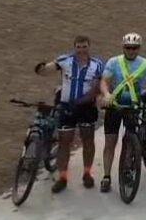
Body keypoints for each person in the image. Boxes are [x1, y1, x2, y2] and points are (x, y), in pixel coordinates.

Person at [34, 36, 103, 192]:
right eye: (78, 47)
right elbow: (48, 69)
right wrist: (41, 68)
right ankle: (62, 177)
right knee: (64, 142)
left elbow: (97, 87)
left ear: (89, 47)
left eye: (84, 46)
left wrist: (86, 99)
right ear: (74, 47)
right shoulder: (65, 60)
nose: (81, 50)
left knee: (88, 140)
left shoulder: (97, 64)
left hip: (86, 107)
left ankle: (87, 173)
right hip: (67, 106)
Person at [98, 33, 146, 194]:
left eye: (135, 48)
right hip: (115, 104)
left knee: (130, 139)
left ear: (139, 48)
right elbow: (105, 81)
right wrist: (106, 95)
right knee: (110, 142)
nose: (131, 51)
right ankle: (106, 176)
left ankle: (127, 168)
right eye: (128, 48)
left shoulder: (145, 64)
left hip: (134, 105)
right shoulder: (114, 62)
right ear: (123, 47)